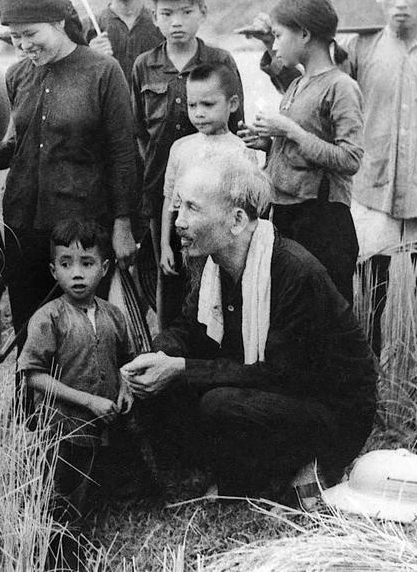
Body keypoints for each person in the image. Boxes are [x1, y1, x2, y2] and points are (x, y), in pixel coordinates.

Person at [254, 0, 417, 355]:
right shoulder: (360, 49)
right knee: (369, 300)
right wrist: (272, 50)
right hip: (370, 193)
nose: (401, 2)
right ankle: (368, 380)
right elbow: (315, 93)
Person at [120, 154, 377, 504]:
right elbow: (187, 329)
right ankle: (206, 477)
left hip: (331, 412)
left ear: (237, 220)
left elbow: (279, 374)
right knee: (164, 384)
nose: (178, 221)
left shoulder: (294, 272)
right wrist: (156, 356)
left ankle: (286, 476)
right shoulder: (214, 265)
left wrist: (180, 368)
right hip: (275, 391)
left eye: (192, 209)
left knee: (218, 403)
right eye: (179, 208)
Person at [0, 0, 138, 335]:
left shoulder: (103, 72)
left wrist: (123, 225)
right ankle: (30, 394)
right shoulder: (18, 75)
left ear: (58, 22)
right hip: (23, 224)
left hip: (81, 228)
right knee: (29, 327)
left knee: (81, 332)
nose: (23, 45)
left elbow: (123, 155)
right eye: (15, 37)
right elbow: (22, 144)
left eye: (29, 34)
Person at [17, 219, 134, 569]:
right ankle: (63, 553)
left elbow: (127, 362)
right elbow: (33, 376)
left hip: (105, 426)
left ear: (105, 268)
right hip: (64, 429)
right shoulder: (48, 318)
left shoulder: (115, 315)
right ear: (54, 271)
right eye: (66, 264)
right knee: (63, 498)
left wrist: (125, 387)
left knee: (102, 488)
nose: (77, 274)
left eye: (87, 263)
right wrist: (89, 401)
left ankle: (98, 525)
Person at [132, 0, 244, 327]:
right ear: (155, 17)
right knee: (170, 280)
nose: (176, 22)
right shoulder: (144, 66)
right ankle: (170, 361)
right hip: (163, 196)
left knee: (220, 279)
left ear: (203, 13)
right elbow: (137, 133)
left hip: (217, 196)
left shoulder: (221, 62)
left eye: (185, 12)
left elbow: (236, 127)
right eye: (166, 14)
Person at [243, 0, 363, 303]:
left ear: (306, 34)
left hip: (323, 222)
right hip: (287, 215)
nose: (276, 44)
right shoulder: (298, 83)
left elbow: (350, 159)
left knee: (328, 318)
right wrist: (269, 143)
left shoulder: (342, 87)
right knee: (292, 315)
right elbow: (299, 145)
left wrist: (290, 130)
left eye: (279, 35)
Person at [159, 62, 254, 326]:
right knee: (189, 301)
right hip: (187, 243)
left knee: (222, 301)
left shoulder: (241, 150)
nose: (199, 113)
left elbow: (246, 209)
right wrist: (166, 245)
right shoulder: (181, 148)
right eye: (192, 105)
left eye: (208, 105)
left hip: (225, 244)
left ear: (232, 104)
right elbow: (170, 200)